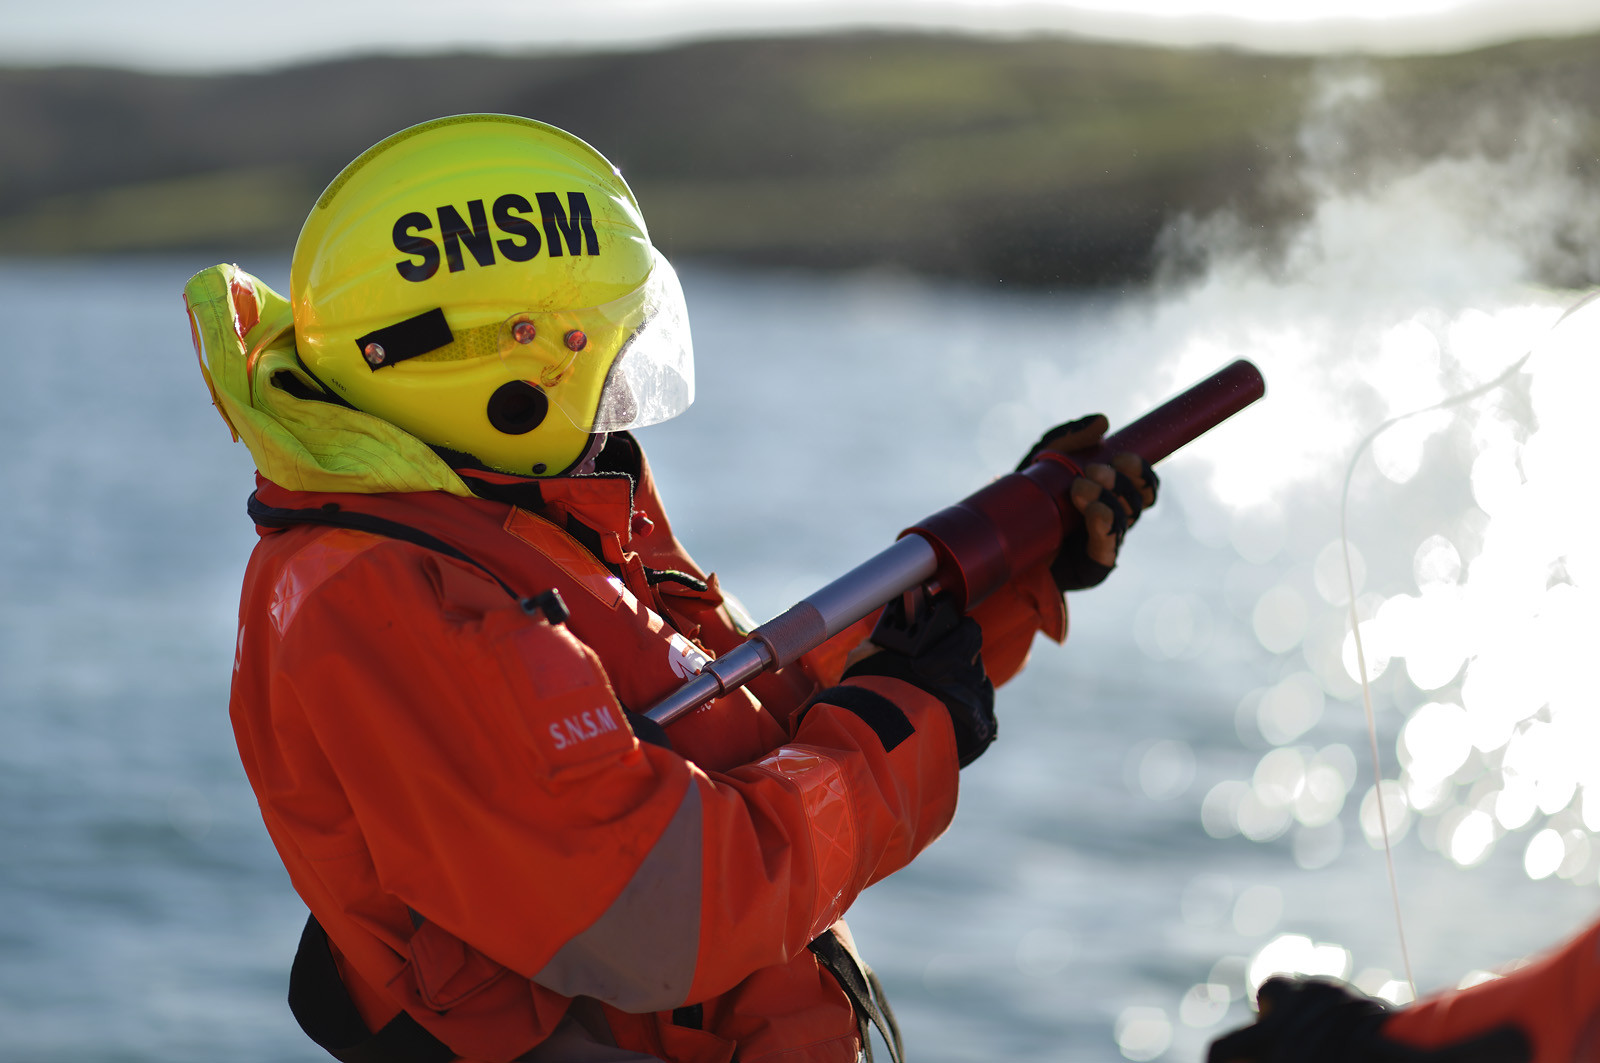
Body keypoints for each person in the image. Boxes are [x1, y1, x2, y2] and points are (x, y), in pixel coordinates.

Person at [185, 113, 1156, 1063]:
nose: (616, 389)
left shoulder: (508, 514)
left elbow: (750, 707)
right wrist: (905, 720)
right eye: (598, 351)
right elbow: (661, 908)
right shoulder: (393, 597)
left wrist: (1008, 564)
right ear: (508, 373)